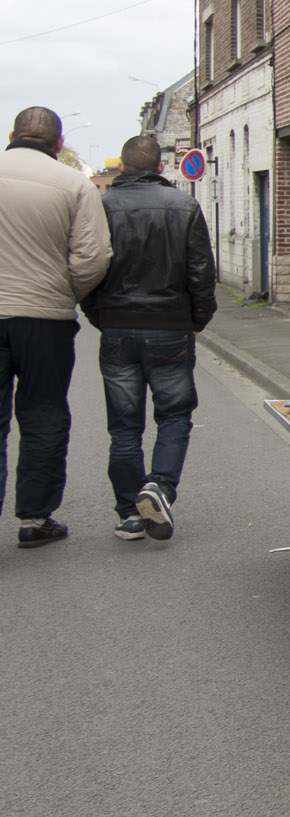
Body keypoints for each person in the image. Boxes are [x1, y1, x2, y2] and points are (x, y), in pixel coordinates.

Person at [83, 135, 217, 542]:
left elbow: (88, 268)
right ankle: (158, 487)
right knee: (174, 415)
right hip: (170, 327)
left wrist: (99, 315)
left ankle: (129, 513)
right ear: (161, 168)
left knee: (124, 427)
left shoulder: (101, 208)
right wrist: (196, 319)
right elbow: (201, 273)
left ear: (121, 168)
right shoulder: (185, 206)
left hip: (118, 328)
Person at [0, 107, 111, 547]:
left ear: (12, 135)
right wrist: (64, 292)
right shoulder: (74, 185)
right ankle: (35, 518)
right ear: (58, 144)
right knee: (44, 414)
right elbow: (94, 257)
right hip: (44, 319)